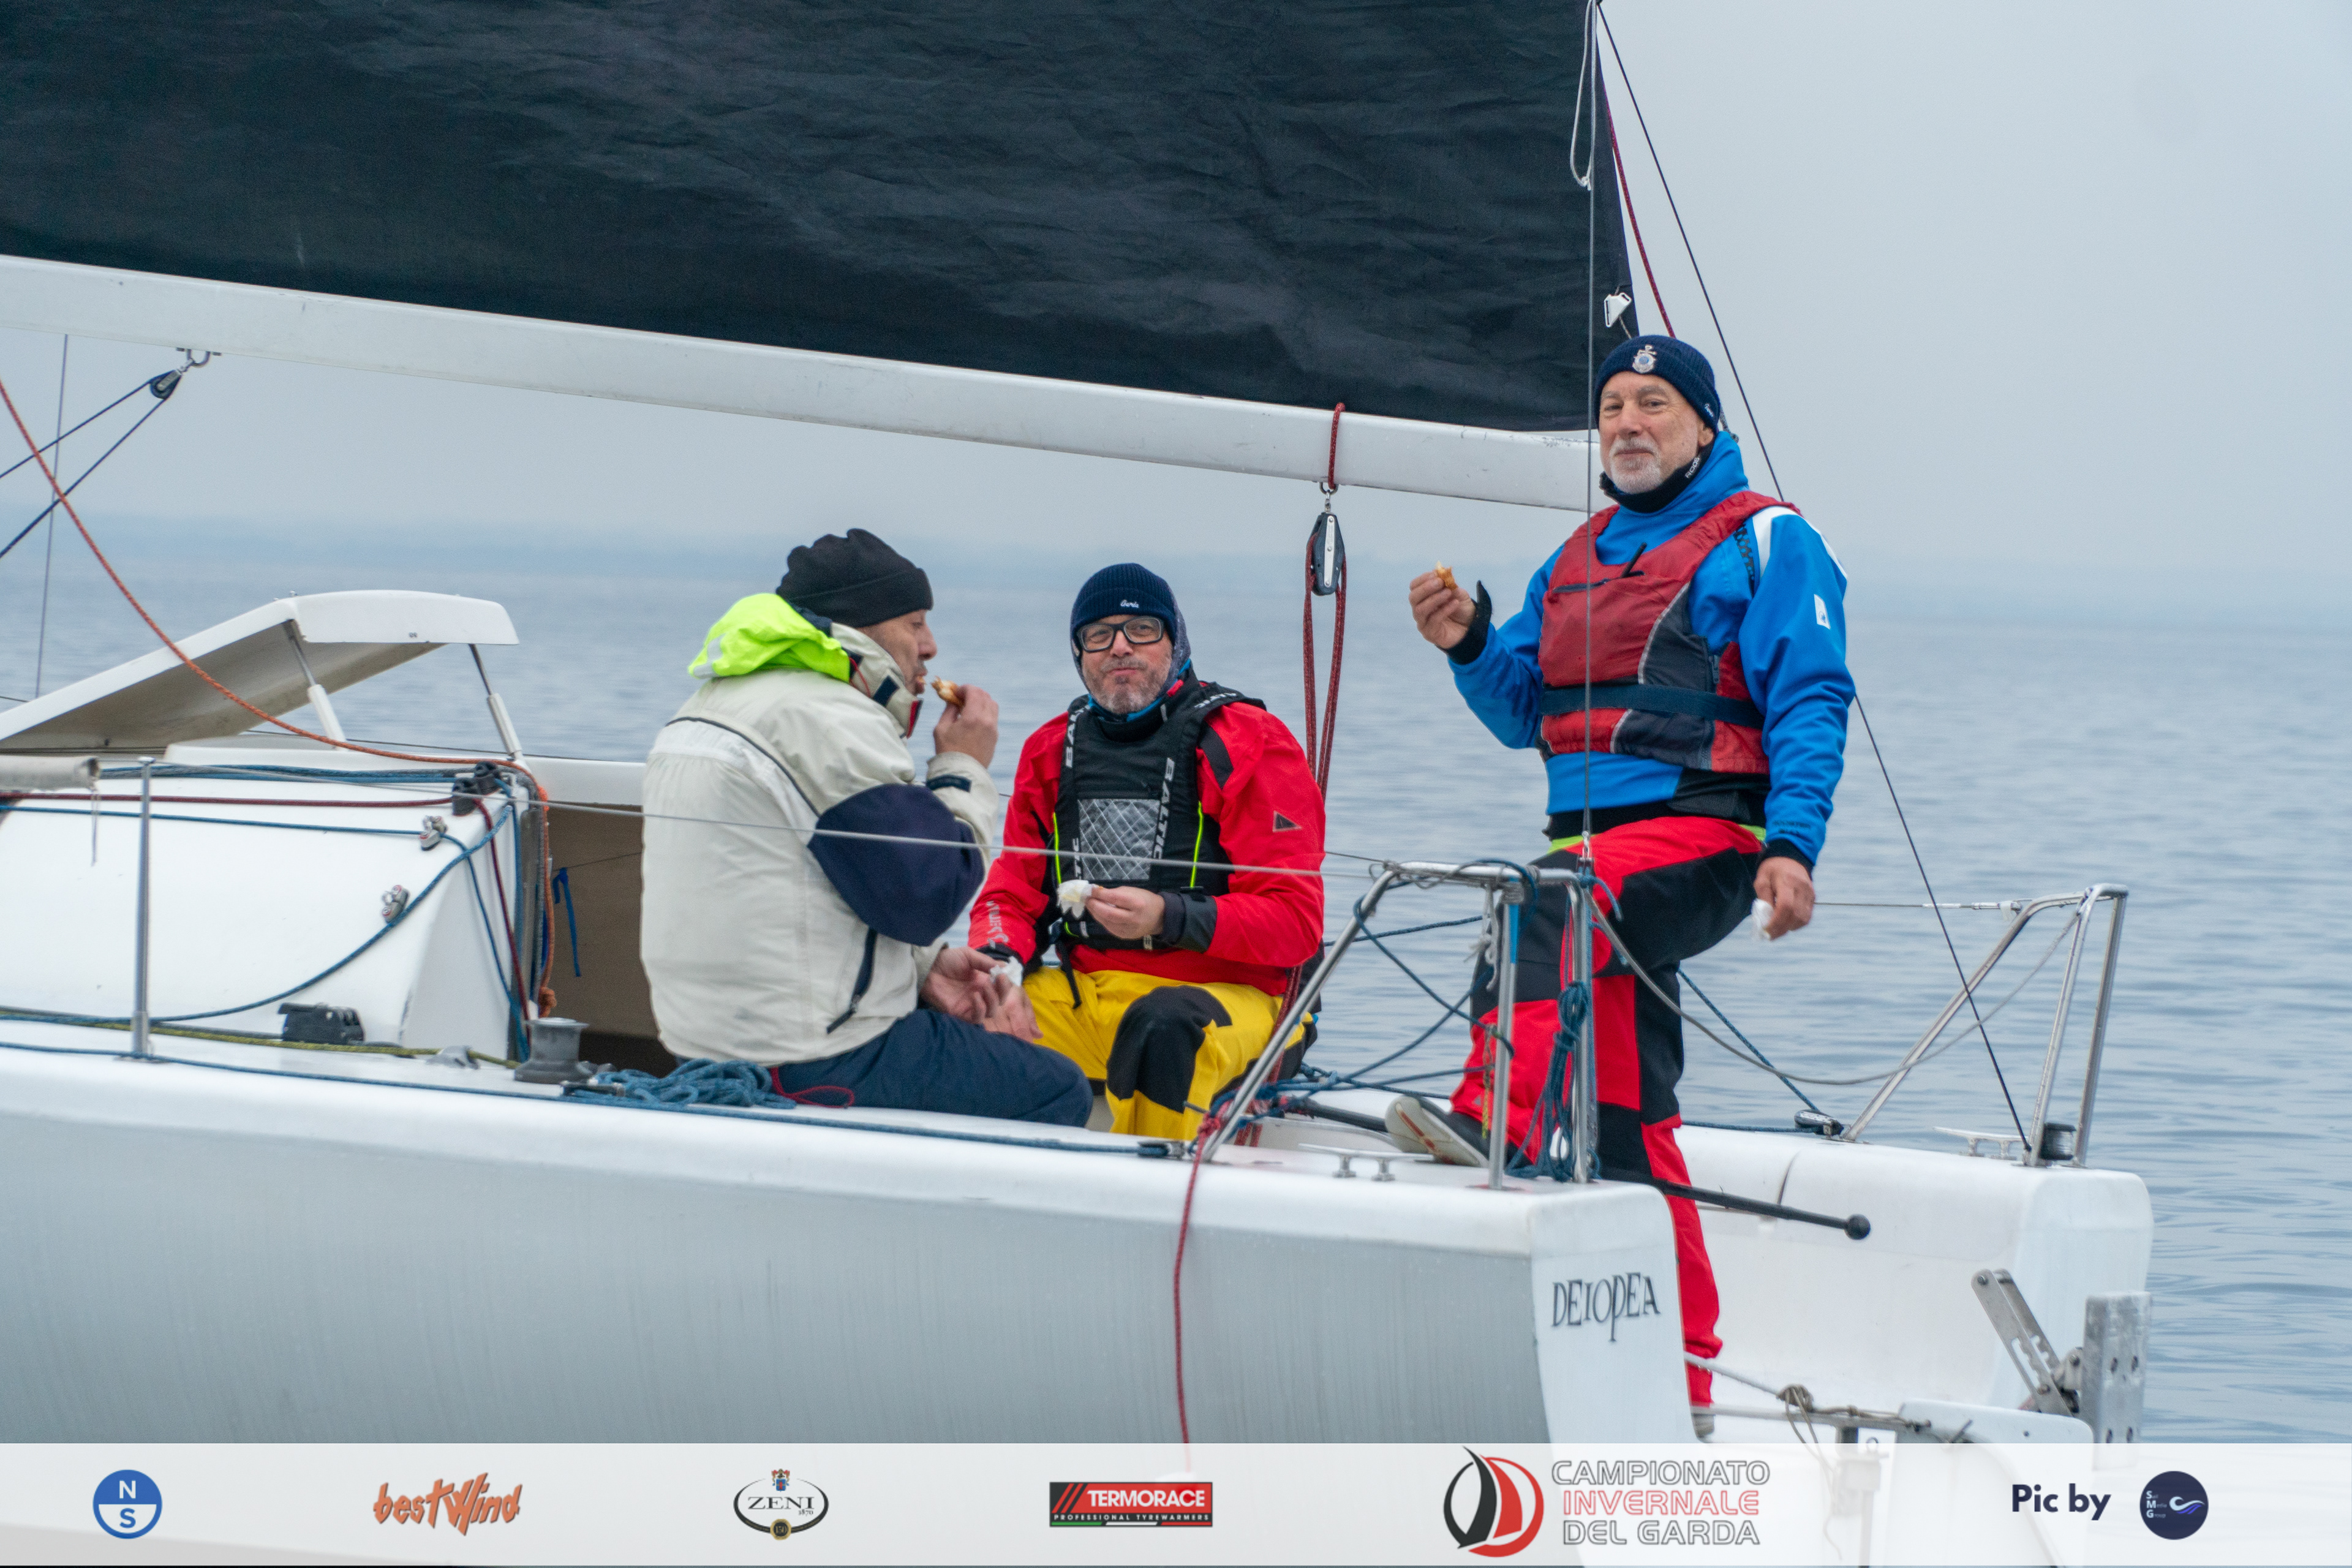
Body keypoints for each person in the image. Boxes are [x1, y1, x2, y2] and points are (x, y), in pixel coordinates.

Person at [1400, 335, 1854, 1419]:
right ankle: (1686, 1374)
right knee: (1626, 1116)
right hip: (1598, 855)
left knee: (1545, 899)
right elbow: (1526, 712)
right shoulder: (1577, 557)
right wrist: (1468, 644)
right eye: (1611, 406)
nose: (1628, 424)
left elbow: (1810, 699)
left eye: (1654, 404)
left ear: (1704, 426)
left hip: (1703, 842)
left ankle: (1492, 1127)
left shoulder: (1767, 540)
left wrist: (1794, 846)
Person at [638, 527, 1090, 1125]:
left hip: (707, 1043)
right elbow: (928, 896)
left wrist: (926, 968)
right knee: (1056, 1088)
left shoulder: (713, 705)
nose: (930, 646)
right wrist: (963, 766)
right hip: (810, 1056)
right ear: (861, 627)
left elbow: (812, 886)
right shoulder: (828, 719)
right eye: (915, 622)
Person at [967, 564, 1326, 1139]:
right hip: (1088, 997)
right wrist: (1000, 967)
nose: (1119, 648)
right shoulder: (1050, 750)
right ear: (1079, 653)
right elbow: (1010, 893)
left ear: (1176, 641)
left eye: (1141, 629)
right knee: (955, 1004)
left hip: (1231, 1001)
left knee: (1161, 1026)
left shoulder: (1249, 741)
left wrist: (1169, 915)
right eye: (1098, 634)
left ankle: (1151, 1192)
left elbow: (1297, 922)